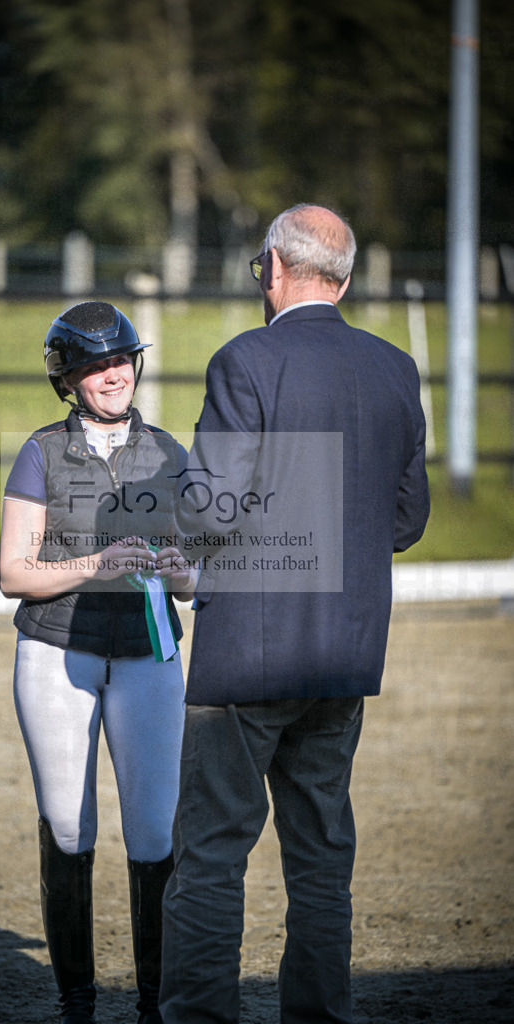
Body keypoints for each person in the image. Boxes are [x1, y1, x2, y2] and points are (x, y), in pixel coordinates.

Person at [159, 204, 430, 1023]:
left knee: (210, 854)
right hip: (344, 655)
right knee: (320, 860)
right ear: (342, 281)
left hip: (248, 655)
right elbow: (406, 519)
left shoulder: (246, 359)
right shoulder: (394, 368)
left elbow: (210, 507)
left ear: (273, 269)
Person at [0, 301, 195, 1024]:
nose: (113, 374)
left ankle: (152, 1005)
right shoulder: (41, 452)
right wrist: (96, 562)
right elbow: (14, 574)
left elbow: (195, 577)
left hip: (148, 654)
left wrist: (180, 574)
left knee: (152, 830)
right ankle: (75, 1004)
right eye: (95, 364)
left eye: (120, 360)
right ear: (68, 376)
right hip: (56, 653)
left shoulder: (171, 453)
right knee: (68, 826)